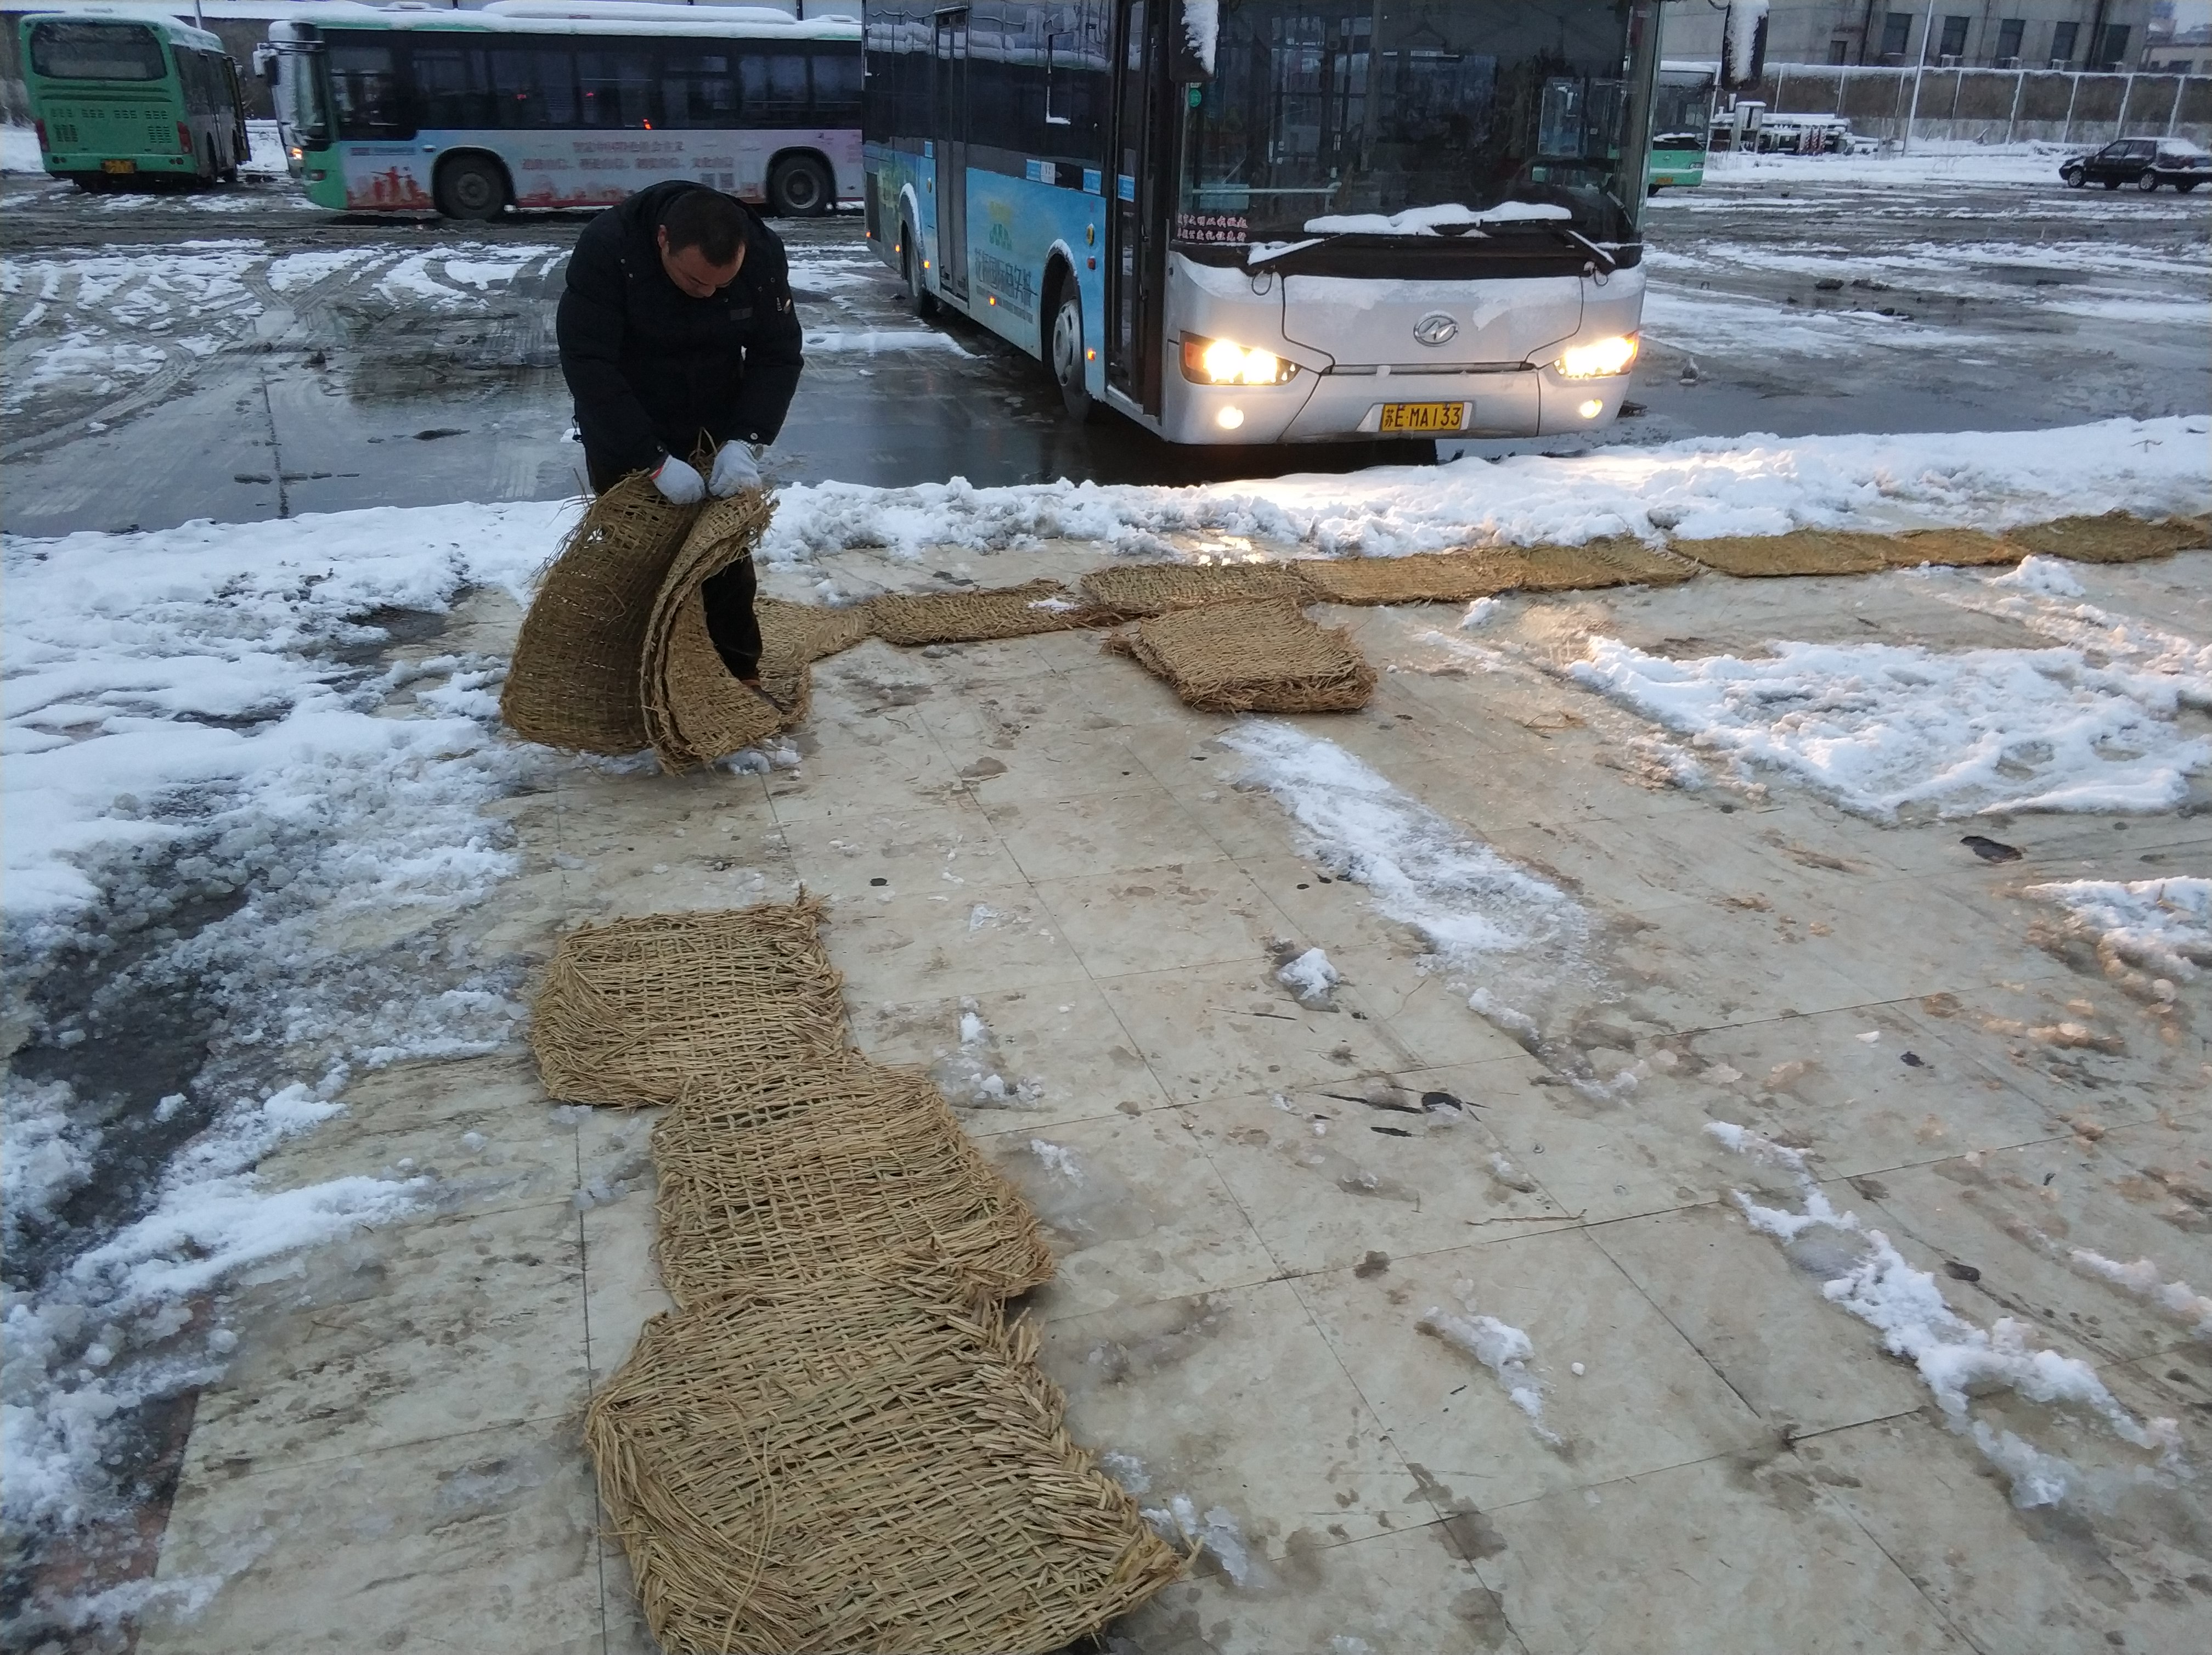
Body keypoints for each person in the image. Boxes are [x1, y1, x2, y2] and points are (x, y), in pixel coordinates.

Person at [556, 180, 803, 688]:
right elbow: (588, 364)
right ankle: (642, 673)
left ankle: (737, 672)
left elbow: (777, 354)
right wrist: (650, 459)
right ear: (663, 239)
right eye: (695, 281)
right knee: (636, 555)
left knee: (723, 554)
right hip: (627, 411)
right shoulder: (607, 250)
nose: (708, 293)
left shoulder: (761, 253)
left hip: (715, 416)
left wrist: (746, 438)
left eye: (721, 285)